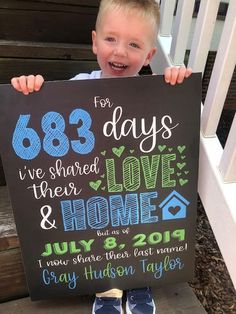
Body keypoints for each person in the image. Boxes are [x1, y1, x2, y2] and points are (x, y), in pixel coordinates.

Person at [11, 1, 192, 313]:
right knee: (99, 236)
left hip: (139, 191)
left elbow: (176, 121)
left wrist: (177, 84)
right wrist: (31, 91)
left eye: (134, 44)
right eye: (111, 39)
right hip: (95, 191)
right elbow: (45, 117)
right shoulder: (75, 89)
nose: (120, 52)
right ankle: (106, 290)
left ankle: (139, 280)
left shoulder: (155, 92)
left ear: (150, 55)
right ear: (94, 41)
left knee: (141, 233)